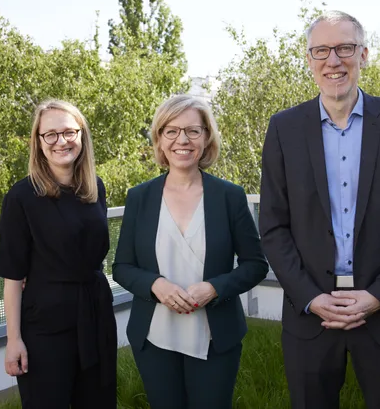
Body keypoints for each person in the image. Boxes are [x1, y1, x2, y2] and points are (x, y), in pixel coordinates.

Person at [259, 11, 380, 409]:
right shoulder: (283, 129)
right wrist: (309, 296)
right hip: (311, 315)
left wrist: (376, 296)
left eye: (344, 48)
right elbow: (273, 226)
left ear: (364, 55)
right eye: (321, 50)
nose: (333, 60)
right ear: (309, 60)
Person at [112, 94, 269, 409]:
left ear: (207, 137)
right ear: (159, 138)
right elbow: (122, 267)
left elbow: (255, 265)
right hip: (154, 336)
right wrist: (157, 285)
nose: (182, 139)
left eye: (193, 131)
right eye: (171, 131)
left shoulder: (230, 196)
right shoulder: (139, 197)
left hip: (215, 335)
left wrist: (214, 288)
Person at [0, 99, 117, 408]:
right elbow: (13, 276)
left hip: (96, 314)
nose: (61, 141)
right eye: (50, 134)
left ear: (82, 135)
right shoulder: (21, 196)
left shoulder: (95, 188)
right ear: (38, 142)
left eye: (68, 132)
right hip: (45, 327)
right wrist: (13, 340)